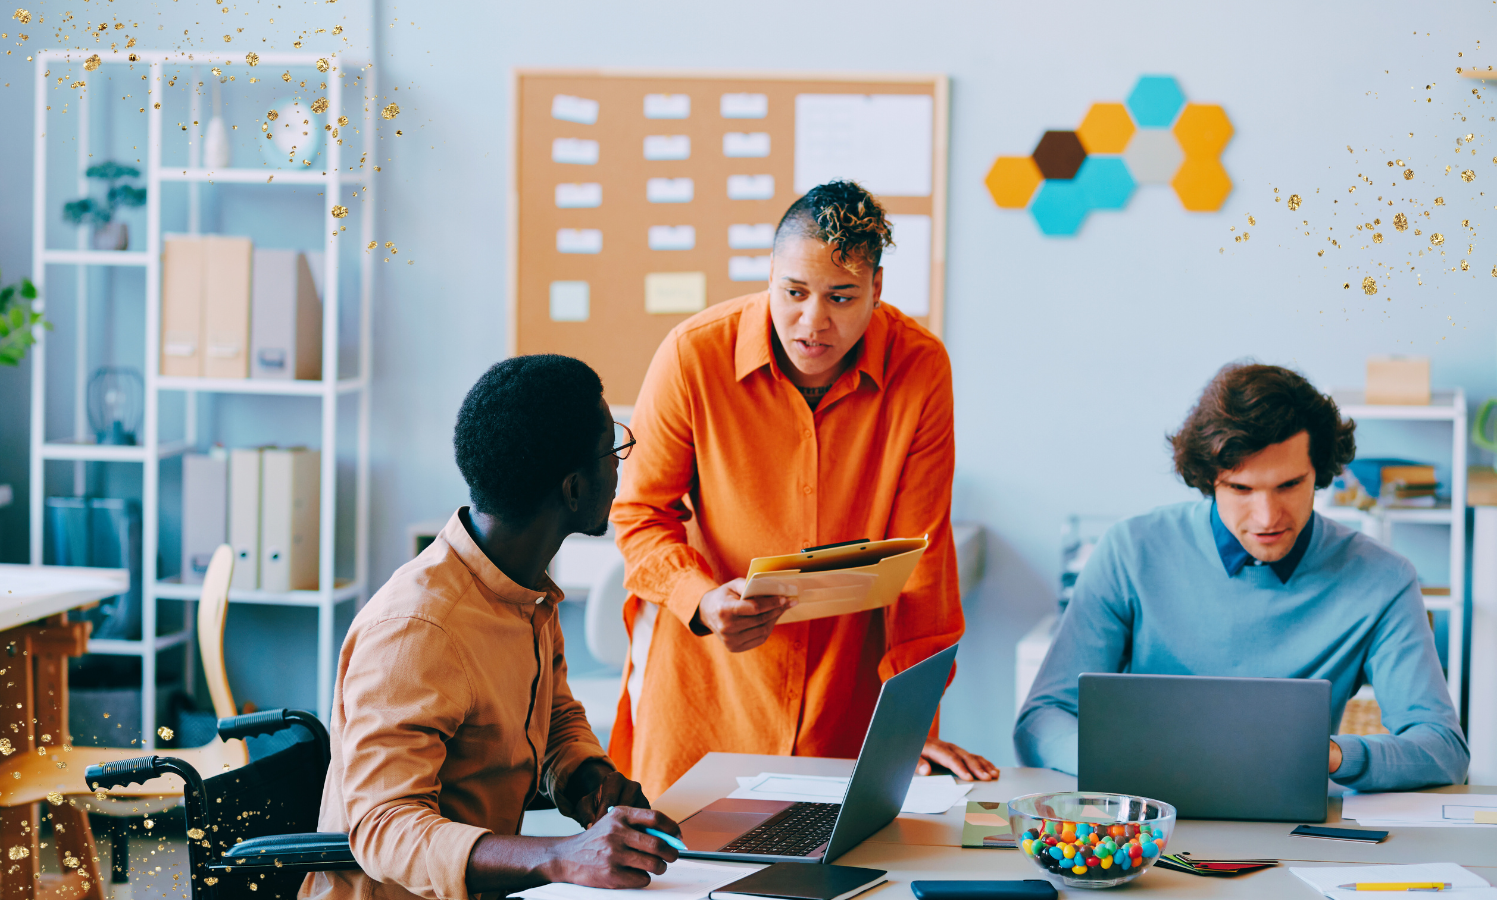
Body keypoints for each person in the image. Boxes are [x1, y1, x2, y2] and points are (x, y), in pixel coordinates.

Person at [608, 180, 998, 799]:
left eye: (841, 297)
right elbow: (639, 514)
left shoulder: (921, 368)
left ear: (876, 290)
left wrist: (910, 722)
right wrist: (703, 599)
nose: (812, 323)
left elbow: (921, 559)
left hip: (847, 697)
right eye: (793, 292)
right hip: (708, 692)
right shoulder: (692, 356)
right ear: (770, 275)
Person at [301, 355, 682, 900]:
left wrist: (589, 781)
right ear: (573, 489)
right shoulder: (418, 629)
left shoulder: (522, 589)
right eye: (613, 449)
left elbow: (553, 720)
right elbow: (383, 826)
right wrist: (558, 856)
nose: (620, 467)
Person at [1014, 362, 1469, 792]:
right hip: (1151, 822)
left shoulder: (1382, 579)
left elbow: (1443, 750)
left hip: (1298, 826)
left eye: (1289, 485)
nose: (1267, 516)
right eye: (1241, 489)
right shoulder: (1130, 552)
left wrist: (1331, 756)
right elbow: (1041, 720)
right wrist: (1130, 763)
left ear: (1321, 473)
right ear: (1209, 479)